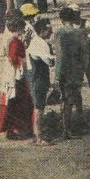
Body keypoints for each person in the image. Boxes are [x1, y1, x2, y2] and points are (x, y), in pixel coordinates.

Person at [0, 16, 33, 140]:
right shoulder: (16, 42)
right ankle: (15, 130)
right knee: (18, 103)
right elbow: (14, 58)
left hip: (11, 73)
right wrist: (22, 66)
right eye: (22, 28)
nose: (24, 31)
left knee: (12, 103)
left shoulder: (10, 39)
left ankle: (13, 129)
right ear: (18, 28)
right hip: (16, 76)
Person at [55, 5, 87, 139]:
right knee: (75, 97)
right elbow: (85, 54)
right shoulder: (79, 33)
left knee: (66, 101)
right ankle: (75, 125)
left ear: (61, 19)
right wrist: (82, 69)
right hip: (76, 70)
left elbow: (59, 55)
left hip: (64, 70)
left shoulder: (59, 34)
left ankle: (66, 130)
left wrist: (58, 74)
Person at [26, 16, 55, 146]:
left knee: (37, 108)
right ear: (43, 30)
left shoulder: (35, 41)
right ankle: (38, 137)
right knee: (39, 109)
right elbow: (50, 62)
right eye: (49, 29)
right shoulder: (42, 44)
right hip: (39, 79)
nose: (51, 32)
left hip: (34, 78)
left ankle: (36, 134)